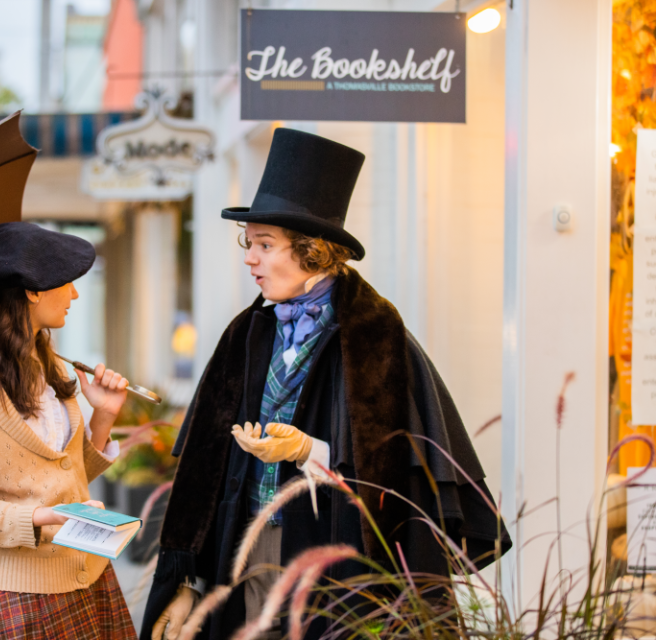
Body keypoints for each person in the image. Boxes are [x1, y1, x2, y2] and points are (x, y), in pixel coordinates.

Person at [142, 129, 510, 640]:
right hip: (244, 552)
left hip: (334, 570)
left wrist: (307, 449)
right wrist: (188, 582)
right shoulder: (247, 334)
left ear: (313, 251)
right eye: (250, 243)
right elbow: (202, 474)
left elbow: (395, 477)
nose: (250, 258)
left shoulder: (376, 338)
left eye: (265, 245)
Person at [0, 222, 138, 640]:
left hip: (89, 578)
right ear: (32, 289)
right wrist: (41, 518)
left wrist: (103, 416)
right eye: (67, 283)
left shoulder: (50, 365)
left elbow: (66, 474)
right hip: (18, 597)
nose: (75, 294)